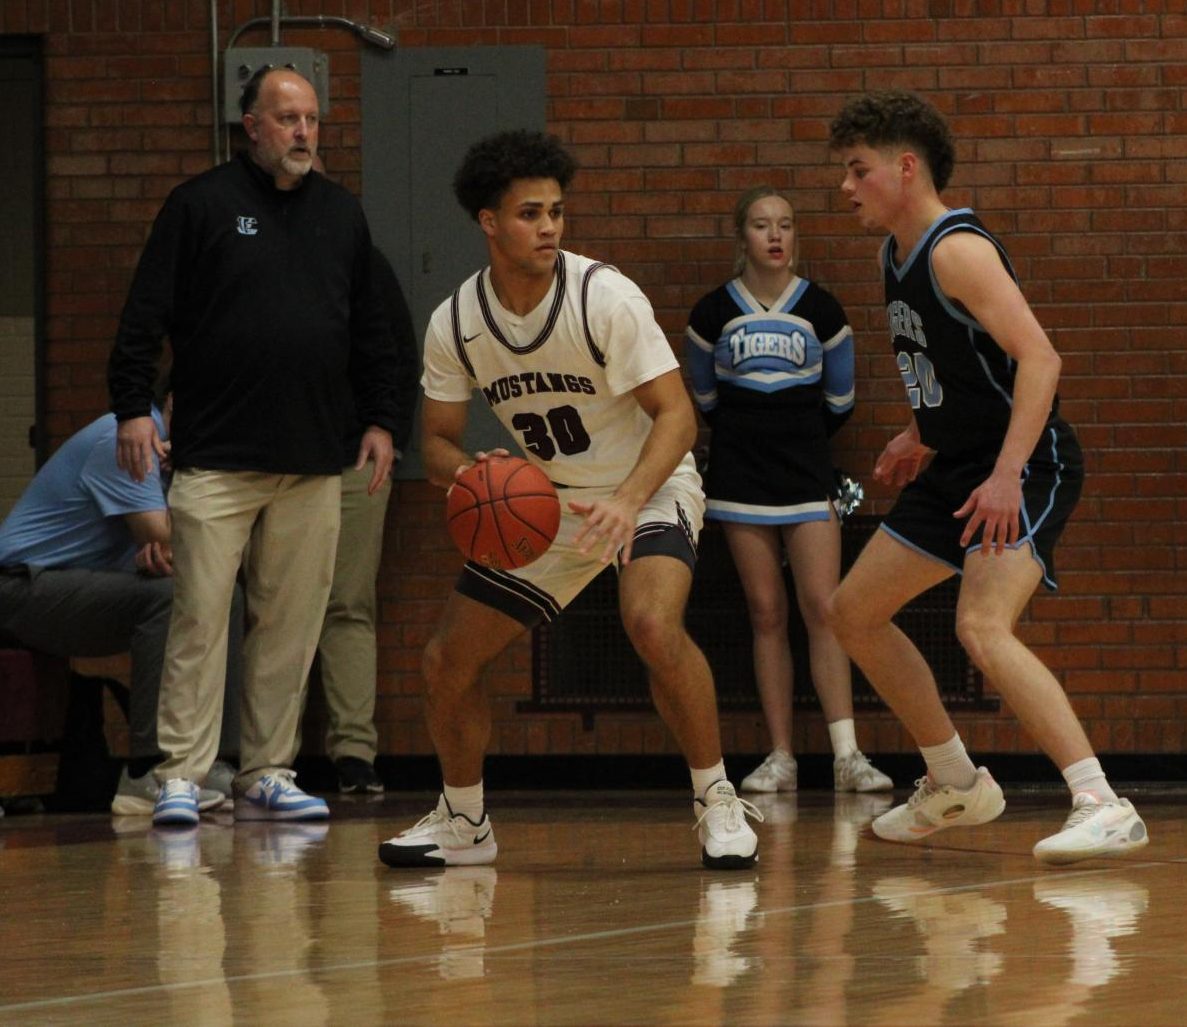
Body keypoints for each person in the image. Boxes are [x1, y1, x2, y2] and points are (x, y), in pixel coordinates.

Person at [377, 130, 761, 870]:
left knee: (650, 621)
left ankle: (715, 796)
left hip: (648, 484)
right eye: (529, 213)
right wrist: (472, 472)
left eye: (556, 210)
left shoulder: (604, 297)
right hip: (546, 505)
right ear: (488, 222)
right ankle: (463, 819)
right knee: (444, 660)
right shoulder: (455, 322)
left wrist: (626, 498)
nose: (549, 226)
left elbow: (679, 417)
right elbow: (439, 442)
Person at [825, 91, 1147, 864]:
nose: (845, 186)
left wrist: (1006, 475)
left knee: (979, 625)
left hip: (1025, 462)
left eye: (856, 169)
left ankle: (1102, 801)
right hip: (961, 463)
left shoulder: (953, 250)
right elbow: (959, 368)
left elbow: (1039, 358)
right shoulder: (891, 255)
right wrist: (918, 431)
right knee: (852, 611)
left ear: (905, 168)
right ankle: (953, 778)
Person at [107, 66, 399, 827]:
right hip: (215, 457)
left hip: (313, 459)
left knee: (292, 622)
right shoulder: (198, 206)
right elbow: (144, 312)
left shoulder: (342, 215)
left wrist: (381, 420)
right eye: (287, 118)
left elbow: (372, 329)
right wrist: (133, 405)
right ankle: (182, 773)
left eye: (311, 118)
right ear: (252, 127)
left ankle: (268, 768)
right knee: (201, 617)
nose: (303, 131)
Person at [684, 186, 893, 796]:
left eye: (785, 225)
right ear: (741, 237)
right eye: (760, 225)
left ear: (796, 235)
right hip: (740, 478)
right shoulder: (711, 314)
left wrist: (799, 442)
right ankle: (781, 756)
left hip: (807, 476)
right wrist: (749, 437)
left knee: (826, 610)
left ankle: (847, 755)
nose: (775, 236)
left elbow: (841, 401)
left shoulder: (823, 311)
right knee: (765, 613)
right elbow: (703, 399)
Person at [0, 392, 240, 814]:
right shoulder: (128, 438)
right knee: (171, 596)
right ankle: (147, 770)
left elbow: (171, 546)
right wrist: (163, 539)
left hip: (70, 583)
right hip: (19, 588)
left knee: (222, 594)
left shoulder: (180, 461)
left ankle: (212, 760)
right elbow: (167, 536)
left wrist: (157, 550)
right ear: (173, 402)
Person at [307, 156, 421, 797]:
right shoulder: (242, 260)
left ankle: (353, 753)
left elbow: (397, 356)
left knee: (348, 603)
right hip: (269, 459)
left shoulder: (364, 265)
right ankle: (261, 757)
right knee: (270, 608)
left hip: (352, 457)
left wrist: (388, 432)